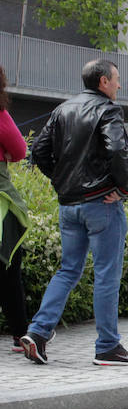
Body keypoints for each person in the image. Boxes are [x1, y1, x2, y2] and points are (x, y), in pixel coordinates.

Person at [23, 58, 128, 365]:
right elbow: (117, 149)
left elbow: (39, 151)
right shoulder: (108, 109)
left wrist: (64, 182)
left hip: (69, 205)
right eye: (116, 79)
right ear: (103, 81)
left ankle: (37, 332)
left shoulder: (62, 109)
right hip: (101, 204)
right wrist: (125, 188)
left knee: (68, 270)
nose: (118, 84)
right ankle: (107, 347)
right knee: (106, 275)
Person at [0, 66, 31, 352]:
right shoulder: (0, 115)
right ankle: (21, 334)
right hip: (1, 204)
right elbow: (20, 150)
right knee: (9, 267)